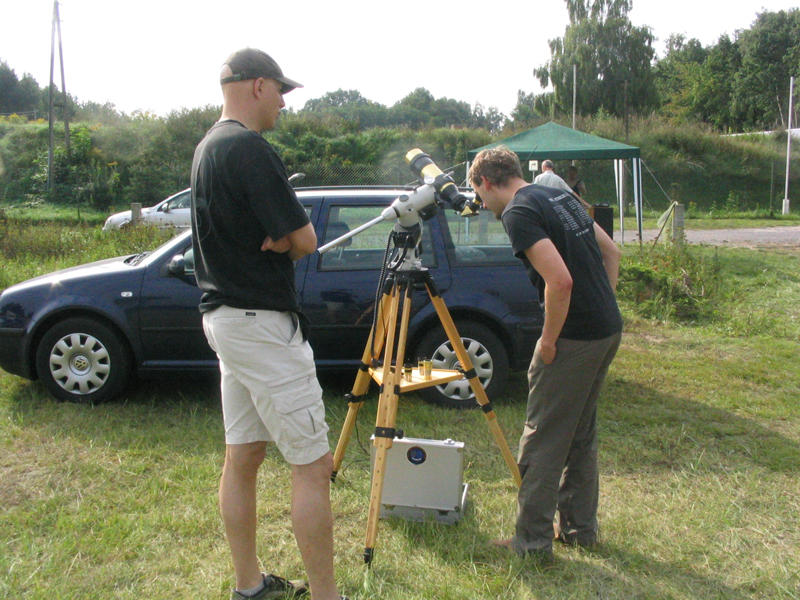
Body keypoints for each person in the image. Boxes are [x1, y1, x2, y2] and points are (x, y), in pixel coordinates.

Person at [190, 48, 344, 600]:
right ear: (257, 86)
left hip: (226, 322)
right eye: (281, 90)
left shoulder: (208, 146)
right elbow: (306, 239)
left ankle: (249, 585)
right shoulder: (251, 150)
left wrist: (280, 238)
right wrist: (287, 239)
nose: (284, 102)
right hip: (261, 324)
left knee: (245, 455)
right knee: (312, 464)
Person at [469, 146, 622, 562]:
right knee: (579, 432)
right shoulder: (556, 195)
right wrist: (601, 304)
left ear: (485, 181)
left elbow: (560, 282)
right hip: (606, 327)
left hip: (574, 338)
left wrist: (550, 341)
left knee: (542, 439)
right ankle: (579, 529)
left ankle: (532, 542)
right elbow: (612, 252)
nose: (482, 206)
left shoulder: (518, 212)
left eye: (480, 197)